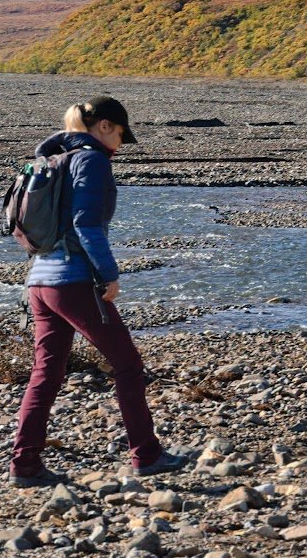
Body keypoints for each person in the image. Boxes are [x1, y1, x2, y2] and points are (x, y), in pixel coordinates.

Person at [10, 95, 188, 486]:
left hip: (39, 280)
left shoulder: (45, 159)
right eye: (121, 134)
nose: (121, 144)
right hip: (74, 281)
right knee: (127, 366)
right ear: (104, 125)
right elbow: (86, 223)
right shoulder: (91, 160)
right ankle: (146, 455)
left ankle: (25, 465)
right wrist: (109, 275)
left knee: (46, 372)